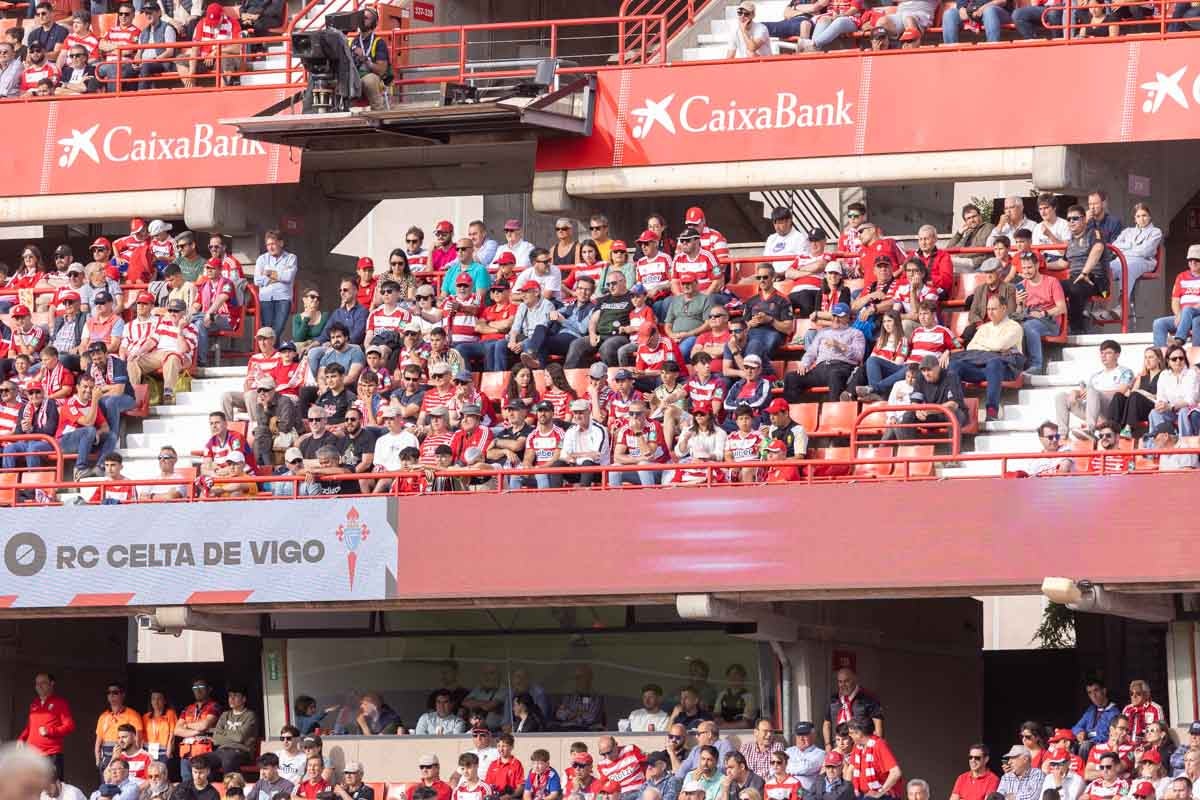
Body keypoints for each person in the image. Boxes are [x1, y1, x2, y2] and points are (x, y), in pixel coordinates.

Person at [950, 297, 1024, 421]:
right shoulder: (984, 328)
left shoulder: (1014, 327)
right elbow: (971, 347)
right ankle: (959, 408)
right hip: (980, 367)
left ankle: (992, 410)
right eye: (988, 309)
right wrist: (996, 349)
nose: (990, 312)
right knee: (955, 365)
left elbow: (999, 345)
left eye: (994, 309)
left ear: (1004, 308)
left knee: (994, 362)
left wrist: (985, 345)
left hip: (1004, 368)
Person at [784, 304, 864, 403]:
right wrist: (805, 363)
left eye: (839, 316)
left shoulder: (856, 333)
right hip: (820, 369)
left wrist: (840, 346)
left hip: (841, 367)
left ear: (847, 317)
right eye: (834, 316)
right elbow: (811, 352)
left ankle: (834, 412)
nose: (836, 319)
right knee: (791, 377)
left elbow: (859, 355)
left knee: (835, 375)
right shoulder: (823, 332)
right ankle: (791, 413)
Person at [1054, 340, 1133, 438]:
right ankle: (1062, 435)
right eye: (1102, 353)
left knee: (1092, 392)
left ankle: (1090, 428)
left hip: (1111, 409)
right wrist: (1075, 392)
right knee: (1061, 396)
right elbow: (1086, 393)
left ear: (1117, 355)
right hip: (1092, 409)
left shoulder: (1125, 372)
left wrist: (1095, 393)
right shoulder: (1096, 376)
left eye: (1108, 353)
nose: (1103, 356)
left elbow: (1121, 391)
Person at [1015, 253, 1067, 375]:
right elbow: (1019, 313)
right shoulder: (1022, 285)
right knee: (1014, 326)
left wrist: (1044, 313)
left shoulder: (1052, 282)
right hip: (1029, 317)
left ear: (1037, 265)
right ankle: (1016, 365)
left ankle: (1036, 365)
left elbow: (1062, 308)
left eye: (1029, 267)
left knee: (1029, 326)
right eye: (1024, 268)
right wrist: (1019, 303)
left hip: (1049, 321)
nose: (1026, 271)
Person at [17, 673, 75, 779]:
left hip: (50, 754)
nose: (39, 686)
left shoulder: (60, 703)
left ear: (51, 684)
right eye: (37, 683)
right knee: (32, 788)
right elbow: (30, 726)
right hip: (32, 754)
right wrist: (21, 738)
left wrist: (50, 731)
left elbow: (69, 726)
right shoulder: (34, 704)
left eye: (43, 683)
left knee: (53, 790)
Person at [174, 678, 221, 785]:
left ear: (209, 689)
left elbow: (204, 725)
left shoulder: (214, 706)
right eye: (195, 688)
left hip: (204, 753)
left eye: (201, 687)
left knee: (205, 784)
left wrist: (186, 726)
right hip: (186, 754)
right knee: (187, 785)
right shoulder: (188, 708)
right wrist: (198, 731)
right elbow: (177, 730)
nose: (198, 690)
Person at [95, 684, 143, 773]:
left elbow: (138, 739)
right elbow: (98, 740)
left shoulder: (133, 715)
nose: (111, 695)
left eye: (115, 692)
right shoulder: (103, 716)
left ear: (123, 695)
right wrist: (98, 760)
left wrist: (135, 757)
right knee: (107, 783)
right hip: (106, 754)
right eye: (109, 693)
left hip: (124, 752)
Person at [211, 686, 258, 776]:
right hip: (221, 751)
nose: (231, 699)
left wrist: (223, 733)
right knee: (200, 761)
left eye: (235, 696)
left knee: (228, 759)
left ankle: (232, 788)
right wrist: (232, 736)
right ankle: (209, 789)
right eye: (230, 696)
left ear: (244, 699)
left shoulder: (250, 716)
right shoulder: (225, 715)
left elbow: (239, 737)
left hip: (242, 752)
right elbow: (216, 739)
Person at [141, 690, 177, 764]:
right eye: (153, 699)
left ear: (164, 701)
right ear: (151, 701)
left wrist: (169, 748)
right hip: (148, 750)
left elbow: (172, 733)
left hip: (164, 750)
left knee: (162, 773)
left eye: (159, 699)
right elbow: (142, 735)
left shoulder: (170, 714)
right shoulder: (145, 717)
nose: (156, 701)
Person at [486, 735, 525, 800]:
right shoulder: (493, 764)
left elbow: (520, 787)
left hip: (510, 797)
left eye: (504, 746)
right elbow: (487, 786)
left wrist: (506, 797)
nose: (501, 749)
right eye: (498, 746)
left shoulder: (517, 764)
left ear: (511, 747)